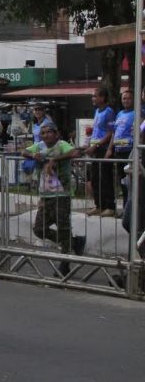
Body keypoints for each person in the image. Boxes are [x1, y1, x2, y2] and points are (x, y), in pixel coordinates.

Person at [25, 124, 81, 276]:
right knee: (39, 229)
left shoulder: (61, 144)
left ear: (56, 134)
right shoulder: (39, 146)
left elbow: (74, 152)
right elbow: (24, 151)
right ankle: (72, 242)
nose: (46, 135)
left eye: (50, 132)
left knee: (63, 228)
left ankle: (65, 265)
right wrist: (33, 155)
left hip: (61, 195)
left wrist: (54, 159)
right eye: (43, 133)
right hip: (45, 195)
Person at [81, 86, 116, 216]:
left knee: (105, 177)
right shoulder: (97, 111)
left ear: (102, 97)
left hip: (102, 148)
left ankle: (110, 206)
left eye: (95, 96)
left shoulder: (109, 111)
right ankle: (99, 205)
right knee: (95, 177)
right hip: (94, 147)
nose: (93, 98)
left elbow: (110, 132)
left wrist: (98, 146)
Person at [107, 87, 135, 201]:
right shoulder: (119, 114)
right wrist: (110, 149)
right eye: (124, 98)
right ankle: (125, 208)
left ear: (133, 100)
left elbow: (141, 129)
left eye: (129, 98)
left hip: (130, 152)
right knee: (122, 182)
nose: (126, 100)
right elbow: (114, 132)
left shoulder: (138, 113)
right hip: (118, 151)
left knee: (131, 183)